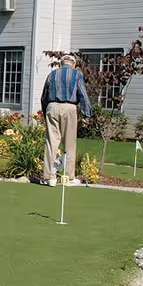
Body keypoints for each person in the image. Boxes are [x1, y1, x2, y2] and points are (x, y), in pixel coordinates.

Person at [40, 54, 92, 187]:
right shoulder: (76, 74)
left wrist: (46, 112)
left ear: (61, 64)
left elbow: (43, 96)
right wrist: (86, 115)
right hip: (69, 107)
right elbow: (83, 95)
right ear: (73, 64)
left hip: (52, 106)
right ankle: (68, 177)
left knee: (51, 143)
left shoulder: (52, 75)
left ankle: (49, 177)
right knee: (69, 143)